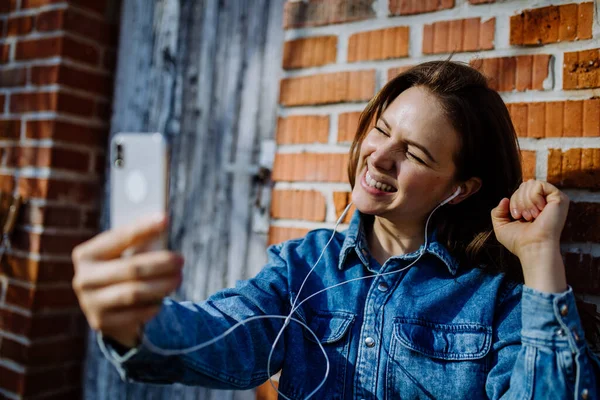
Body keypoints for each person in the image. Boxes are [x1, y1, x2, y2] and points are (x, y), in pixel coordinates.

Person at [72, 61, 600, 399]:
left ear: (458, 190)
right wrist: (133, 325)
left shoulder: (495, 297)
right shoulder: (304, 267)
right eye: (383, 130)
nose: (380, 157)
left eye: (413, 154)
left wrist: (538, 259)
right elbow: (223, 339)